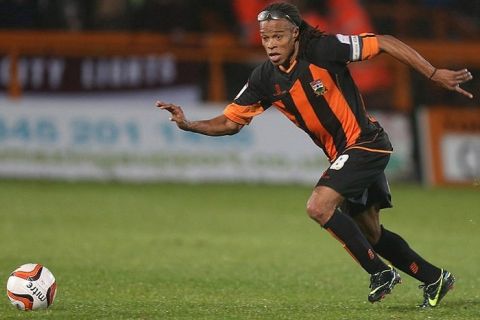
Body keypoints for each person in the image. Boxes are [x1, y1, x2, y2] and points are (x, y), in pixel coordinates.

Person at [156, 1, 473, 306]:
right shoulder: (264, 78)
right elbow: (229, 121)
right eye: (266, 37)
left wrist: (433, 73)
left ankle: (380, 273)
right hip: (343, 153)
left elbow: (385, 41)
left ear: (295, 33)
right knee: (370, 232)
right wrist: (188, 124)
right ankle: (434, 278)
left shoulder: (323, 50)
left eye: (278, 36)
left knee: (319, 206)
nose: (270, 44)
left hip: (366, 141)